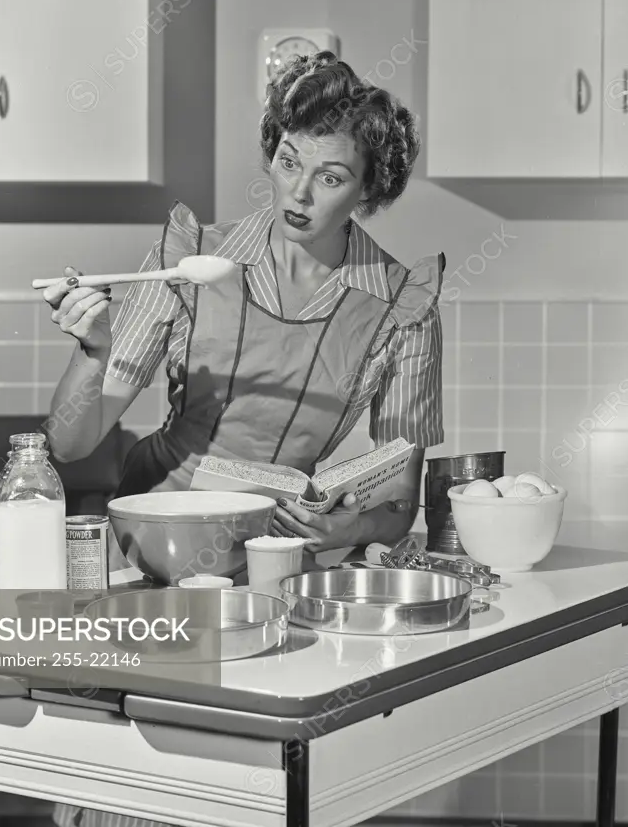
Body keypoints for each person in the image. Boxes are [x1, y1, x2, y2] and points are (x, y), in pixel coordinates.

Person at [47, 51, 443, 827]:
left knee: (248, 796)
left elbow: (397, 498)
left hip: (276, 573)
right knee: (132, 788)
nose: (298, 190)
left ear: (369, 189)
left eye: (330, 177)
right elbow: (71, 442)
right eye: (288, 160)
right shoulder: (191, 261)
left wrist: (347, 526)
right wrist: (92, 351)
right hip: (152, 559)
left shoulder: (402, 306)